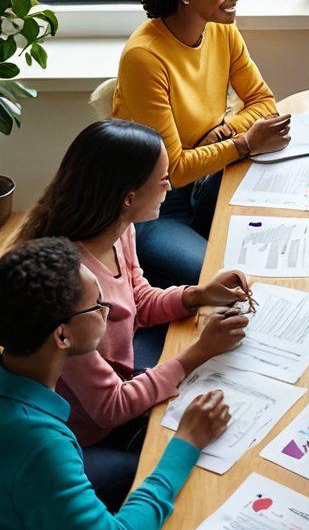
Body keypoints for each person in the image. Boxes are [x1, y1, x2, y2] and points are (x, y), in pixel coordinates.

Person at [0, 235, 232, 530]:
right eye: (98, 305)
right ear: (61, 335)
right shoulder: (34, 442)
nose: (111, 307)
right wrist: (184, 444)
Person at [17, 119, 250, 510]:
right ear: (127, 196)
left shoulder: (120, 229)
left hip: (121, 379)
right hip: (87, 431)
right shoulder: (70, 285)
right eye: (161, 178)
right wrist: (199, 352)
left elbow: (137, 300)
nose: (170, 185)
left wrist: (197, 294)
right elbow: (109, 408)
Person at [113, 0, 291, 287]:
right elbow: (174, 170)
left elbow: (263, 101)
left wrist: (223, 132)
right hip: (154, 208)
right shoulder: (144, 57)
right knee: (228, 283)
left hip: (210, 179)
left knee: (278, 247)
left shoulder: (221, 29)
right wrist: (243, 143)